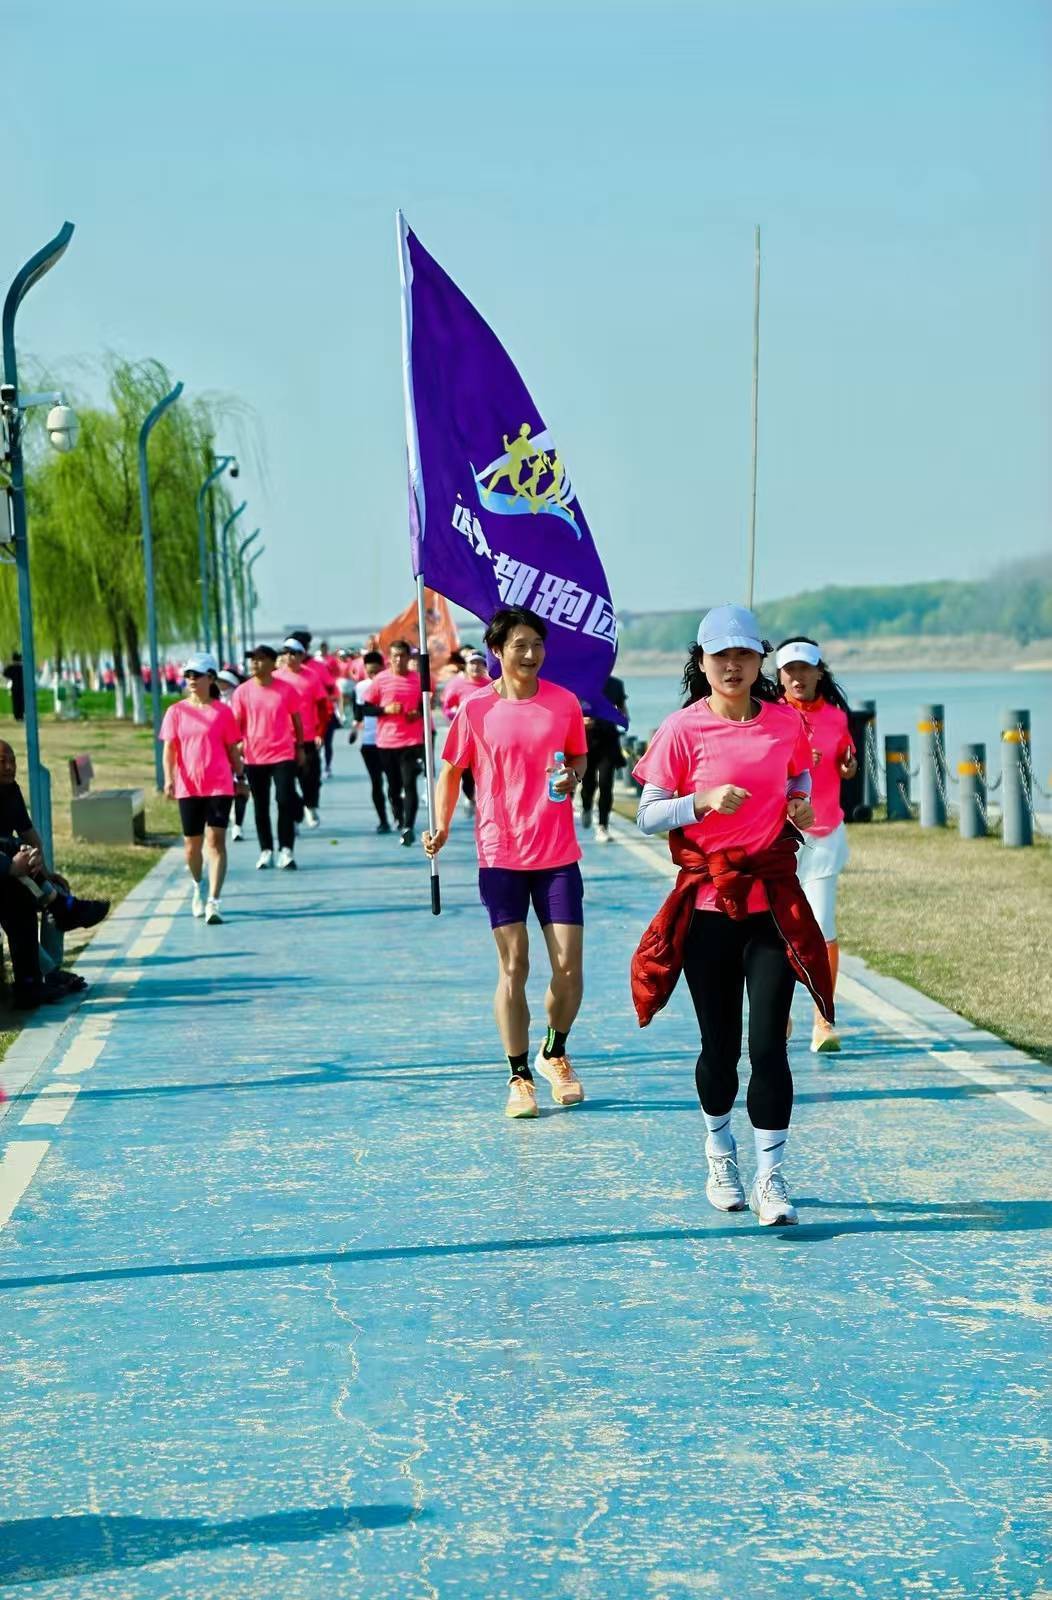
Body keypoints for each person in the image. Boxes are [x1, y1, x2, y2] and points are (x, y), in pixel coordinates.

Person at [632, 605, 833, 1228]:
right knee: (720, 1051)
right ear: (701, 661)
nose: (733, 665)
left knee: (769, 1046)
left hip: (769, 904)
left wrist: (798, 804)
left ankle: (771, 1176)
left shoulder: (784, 722)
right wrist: (702, 801)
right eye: (721, 655)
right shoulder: (681, 729)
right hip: (709, 909)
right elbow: (647, 813)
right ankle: (720, 1154)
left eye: (744, 654)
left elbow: (799, 774)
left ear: (758, 660)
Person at [424, 606, 590, 1119]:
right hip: (500, 853)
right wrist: (442, 826)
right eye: (520, 645)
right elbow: (450, 772)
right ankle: (519, 1076)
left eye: (537, 644)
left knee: (569, 968)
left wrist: (573, 777)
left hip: (557, 854)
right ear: (497, 651)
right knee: (514, 965)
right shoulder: (475, 709)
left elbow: (578, 756)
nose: (530, 654)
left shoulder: (563, 702)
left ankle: (553, 1052)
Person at [775, 637, 857, 1054]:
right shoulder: (768, 715)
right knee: (777, 929)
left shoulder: (836, 718)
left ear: (819, 672)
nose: (798, 677)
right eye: (790, 670)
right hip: (778, 838)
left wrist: (847, 765)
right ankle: (777, 1008)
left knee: (821, 926)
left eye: (805, 669)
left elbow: (846, 761)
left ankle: (824, 1019)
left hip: (823, 834)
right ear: (779, 676)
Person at [0, 740, 109, 1004]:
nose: (9, 766)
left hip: (8, 873)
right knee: (19, 898)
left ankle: (48, 972)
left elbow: (30, 835)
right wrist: (11, 865)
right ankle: (62, 910)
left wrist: (44, 870)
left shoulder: (11, 791)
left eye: (13, 760)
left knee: (44, 887)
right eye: (2, 762)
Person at [160, 652, 248, 923]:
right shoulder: (176, 711)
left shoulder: (223, 712)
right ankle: (198, 885)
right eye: (187, 675)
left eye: (196, 675)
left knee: (216, 841)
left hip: (219, 785)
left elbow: (232, 750)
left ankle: (214, 901)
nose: (191, 680)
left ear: (211, 678)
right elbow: (169, 749)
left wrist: (241, 777)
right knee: (191, 847)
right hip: (188, 787)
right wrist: (169, 779)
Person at [231, 647, 304, 870]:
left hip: (283, 754)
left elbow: (296, 720)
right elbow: (236, 724)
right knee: (261, 805)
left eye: (260, 659)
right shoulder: (242, 692)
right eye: (252, 660)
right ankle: (266, 850)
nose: (255, 663)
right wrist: (238, 745)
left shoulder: (286, 689)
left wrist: (300, 747)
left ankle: (286, 850)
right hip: (255, 757)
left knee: (284, 800)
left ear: (273, 663)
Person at [362, 639, 425, 848]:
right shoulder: (380, 680)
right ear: (389, 658)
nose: (398, 660)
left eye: (402, 656)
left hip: (412, 741)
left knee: (410, 783)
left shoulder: (419, 679)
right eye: (394, 656)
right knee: (394, 786)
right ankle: (398, 815)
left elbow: (427, 704)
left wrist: (418, 712)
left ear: (409, 657)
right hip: (386, 742)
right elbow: (365, 709)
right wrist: (385, 710)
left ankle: (408, 826)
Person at [275, 638, 328, 829]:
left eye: (293, 653)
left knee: (310, 777)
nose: (289, 656)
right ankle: (294, 816)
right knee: (285, 782)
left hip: (307, 737)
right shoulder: (276, 678)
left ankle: (310, 806)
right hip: (283, 739)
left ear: (301, 655)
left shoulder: (311, 677)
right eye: (285, 653)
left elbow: (322, 706)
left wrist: (321, 732)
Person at [440, 650, 491, 815]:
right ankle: (470, 796)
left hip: (487, 736)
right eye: (472, 663)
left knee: (486, 770)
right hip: (465, 736)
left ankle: (485, 801)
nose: (476, 667)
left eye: (480, 663)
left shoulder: (492, 684)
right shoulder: (456, 684)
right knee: (467, 773)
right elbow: (447, 707)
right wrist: (456, 716)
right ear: (466, 666)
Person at [580, 674, 628, 844]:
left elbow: (623, 711)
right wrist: (581, 721)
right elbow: (569, 711)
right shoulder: (580, 682)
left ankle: (603, 826)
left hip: (608, 741)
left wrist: (621, 718)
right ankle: (586, 807)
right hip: (586, 741)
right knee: (588, 783)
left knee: (606, 784)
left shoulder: (616, 684)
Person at [352, 650, 395, 833]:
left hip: (391, 741)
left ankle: (399, 815)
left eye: (377, 672)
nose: (374, 677)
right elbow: (358, 714)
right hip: (369, 742)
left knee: (394, 782)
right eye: (370, 673)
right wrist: (354, 730)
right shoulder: (360, 688)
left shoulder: (392, 683)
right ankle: (383, 820)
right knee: (376, 782)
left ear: (384, 668)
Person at [216, 669, 249, 841]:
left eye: (222, 681)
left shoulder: (242, 700)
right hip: (220, 753)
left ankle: (238, 826)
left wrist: (243, 743)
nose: (219, 684)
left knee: (241, 788)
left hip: (241, 750)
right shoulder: (214, 701)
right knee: (226, 789)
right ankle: (228, 817)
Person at [4, 654, 25, 723]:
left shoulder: (11, 667)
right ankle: (21, 715)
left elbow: (5, 673)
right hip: (22, 687)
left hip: (14, 687)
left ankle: (16, 716)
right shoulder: (22, 667)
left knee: (15, 702)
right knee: (21, 702)